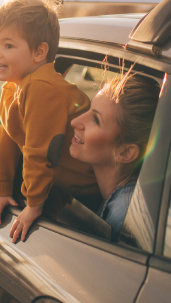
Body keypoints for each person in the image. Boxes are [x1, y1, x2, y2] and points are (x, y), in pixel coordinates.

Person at [0, 0, 98, 243]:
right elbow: (7, 140)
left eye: (8, 45)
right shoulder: (14, 87)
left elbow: (38, 151)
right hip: (66, 187)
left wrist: (33, 205)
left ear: (39, 52)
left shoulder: (40, 87)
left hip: (90, 190)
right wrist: (1, 190)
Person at [69, 70, 160, 240]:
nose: (75, 122)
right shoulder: (124, 200)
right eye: (89, 109)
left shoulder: (122, 219)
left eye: (95, 119)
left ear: (125, 152)